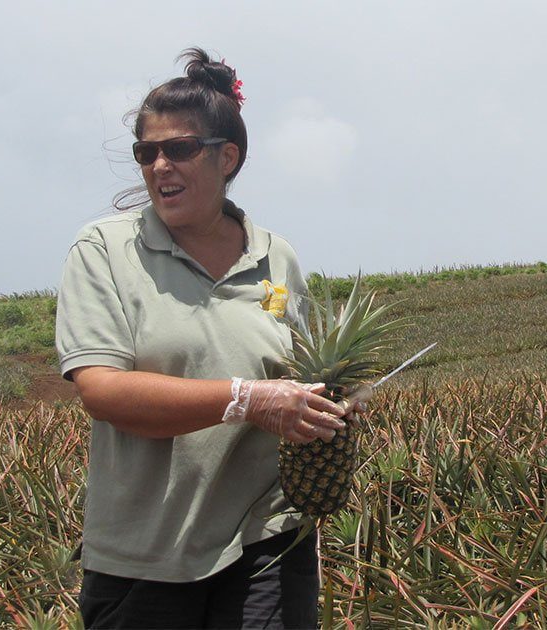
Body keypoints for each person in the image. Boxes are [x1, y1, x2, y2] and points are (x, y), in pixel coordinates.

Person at [54, 47, 363, 629]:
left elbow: (300, 375)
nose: (159, 166)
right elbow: (102, 390)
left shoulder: (276, 256)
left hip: (266, 537)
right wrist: (247, 399)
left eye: (179, 149)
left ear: (227, 157)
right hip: (146, 552)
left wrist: (328, 404)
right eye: (147, 152)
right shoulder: (104, 251)